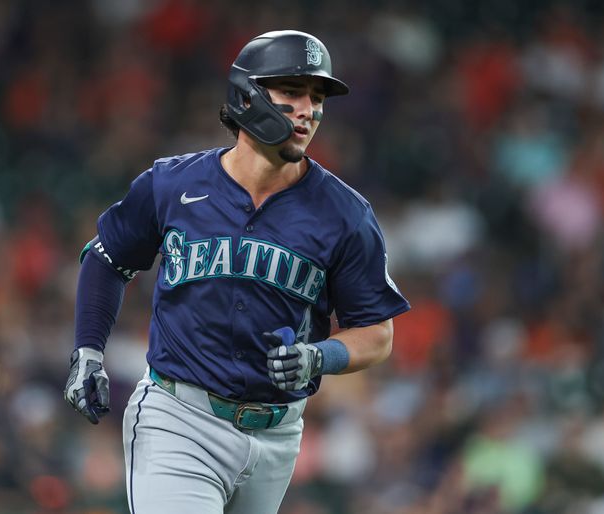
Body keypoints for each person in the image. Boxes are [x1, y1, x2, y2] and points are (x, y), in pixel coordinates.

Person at [64, 30, 410, 514]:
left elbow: (377, 332)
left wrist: (320, 356)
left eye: (316, 97)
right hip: (179, 417)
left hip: (277, 433)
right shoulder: (172, 184)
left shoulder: (345, 214)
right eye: (291, 92)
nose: (308, 110)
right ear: (246, 95)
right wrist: (87, 349)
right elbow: (107, 258)